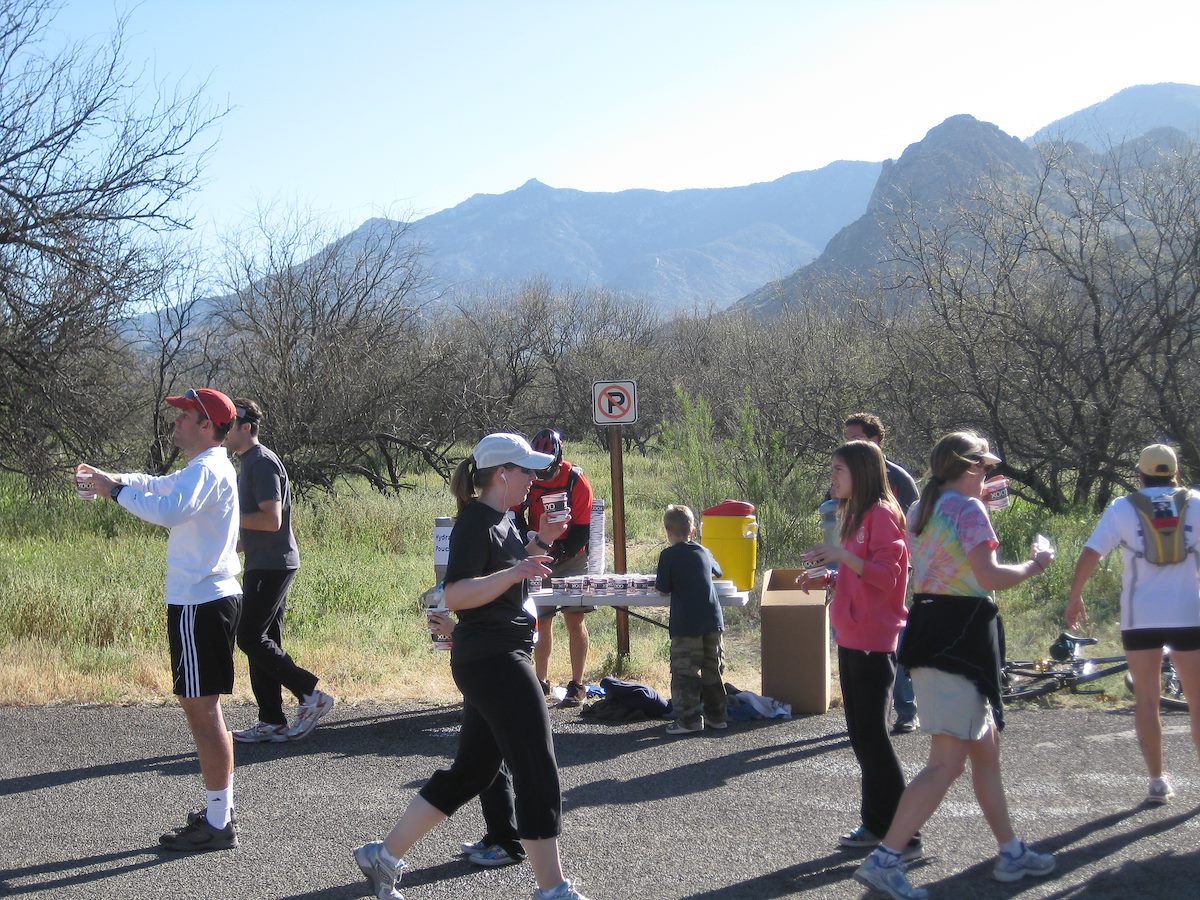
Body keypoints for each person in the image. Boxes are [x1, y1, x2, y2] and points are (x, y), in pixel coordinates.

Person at [352, 433, 590, 900]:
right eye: (526, 471)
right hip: (494, 657)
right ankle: (552, 889)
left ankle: (382, 857)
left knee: (473, 772)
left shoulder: (503, 520)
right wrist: (514, 572)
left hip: (494, 655)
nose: (534, 480)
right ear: (502, 473)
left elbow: (507, 574)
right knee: (536, 765)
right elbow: (457, 593)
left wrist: (542, 541)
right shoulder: (475, 523)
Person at [854, 431, 1056, 900]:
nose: (987, 474)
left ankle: (1010, 851)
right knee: (945, 763)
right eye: (983, 467)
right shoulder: (966, 510)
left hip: (933, 633)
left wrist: (975, 500)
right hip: (959, 639)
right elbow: (988, 577)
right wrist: (1036, 565)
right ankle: (885, 858)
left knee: (984, 752)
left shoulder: (926, 507)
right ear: (968, 467)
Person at [78, 388, 243, 852]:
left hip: (201, 603)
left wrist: (113, 491)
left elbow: (169, 509)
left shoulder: (209, 468)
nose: (177, 423)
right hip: (204, 601)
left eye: (185, 416)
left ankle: (218, 821)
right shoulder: (202, 468)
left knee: (202, 709)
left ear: (206, 425)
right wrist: (114, 479)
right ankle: (219, 811)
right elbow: (160, 486)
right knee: (203, 708)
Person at [799, 441, 918, 860]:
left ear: (862, 472)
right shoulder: (858, 516)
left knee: (874, 739)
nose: (832, 478)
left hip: (873, 641)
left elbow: (888, 577)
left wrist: (840, 556)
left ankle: (905, 835)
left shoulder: (883, 515)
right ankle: (875, 823)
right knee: (862, 737)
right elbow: (859, 574)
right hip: (851, 636)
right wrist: (830, 576)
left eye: (838, 470)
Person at [1066, 443, 1200, 805]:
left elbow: (1092, 551)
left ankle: (1157, 781)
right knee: (1198, 699)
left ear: (1139, 473)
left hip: (1140, 617)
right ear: (1175, 472)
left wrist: (1075, 595)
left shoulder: (1122, 508)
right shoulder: (1197, 503)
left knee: (1146, 700)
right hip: (1190, 614)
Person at [225, 398, 334, 744]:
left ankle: (311, 694)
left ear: (247, 427)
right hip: (265, 560)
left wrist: (228, 520)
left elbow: (272, 520)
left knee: (249, 637)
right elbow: (262, 523)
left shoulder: (261, 463)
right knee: (263, 641)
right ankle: (271, 719)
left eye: (230, 423)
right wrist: (232, 542)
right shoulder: (249, 463)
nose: (223, 429)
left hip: (273, 564)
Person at [843, 413, 921, 734]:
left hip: (888, 574)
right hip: (855, 572)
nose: (848, 443)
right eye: (846, 437)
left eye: (855, 437)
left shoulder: (899, 480)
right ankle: (870, 714)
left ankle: (906, 711)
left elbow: (916, 523)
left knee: (892, 641)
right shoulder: (847, 474)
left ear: (875, 440)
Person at [517, 428, 595, 707]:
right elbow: (516, 513)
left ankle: (577, 684)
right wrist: (529, 541)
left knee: (574, 619)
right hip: (539, 550)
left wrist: (561, 551)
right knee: (542, 618)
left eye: (547, 467)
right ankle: (540, 681)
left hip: (571, 555)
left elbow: (583, 529)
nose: (542, 473)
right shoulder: (529, 477)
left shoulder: (576, 480)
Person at [655, 504, 726, 735]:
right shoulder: (704, 551)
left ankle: (689, 720)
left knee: (685, 672)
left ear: (668, 531)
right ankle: (717, 716)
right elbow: (718, 571)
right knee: (712, 668)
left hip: (686, 623)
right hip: (712, 619)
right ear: (693, 530)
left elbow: (663, 588)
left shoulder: (668, 555)